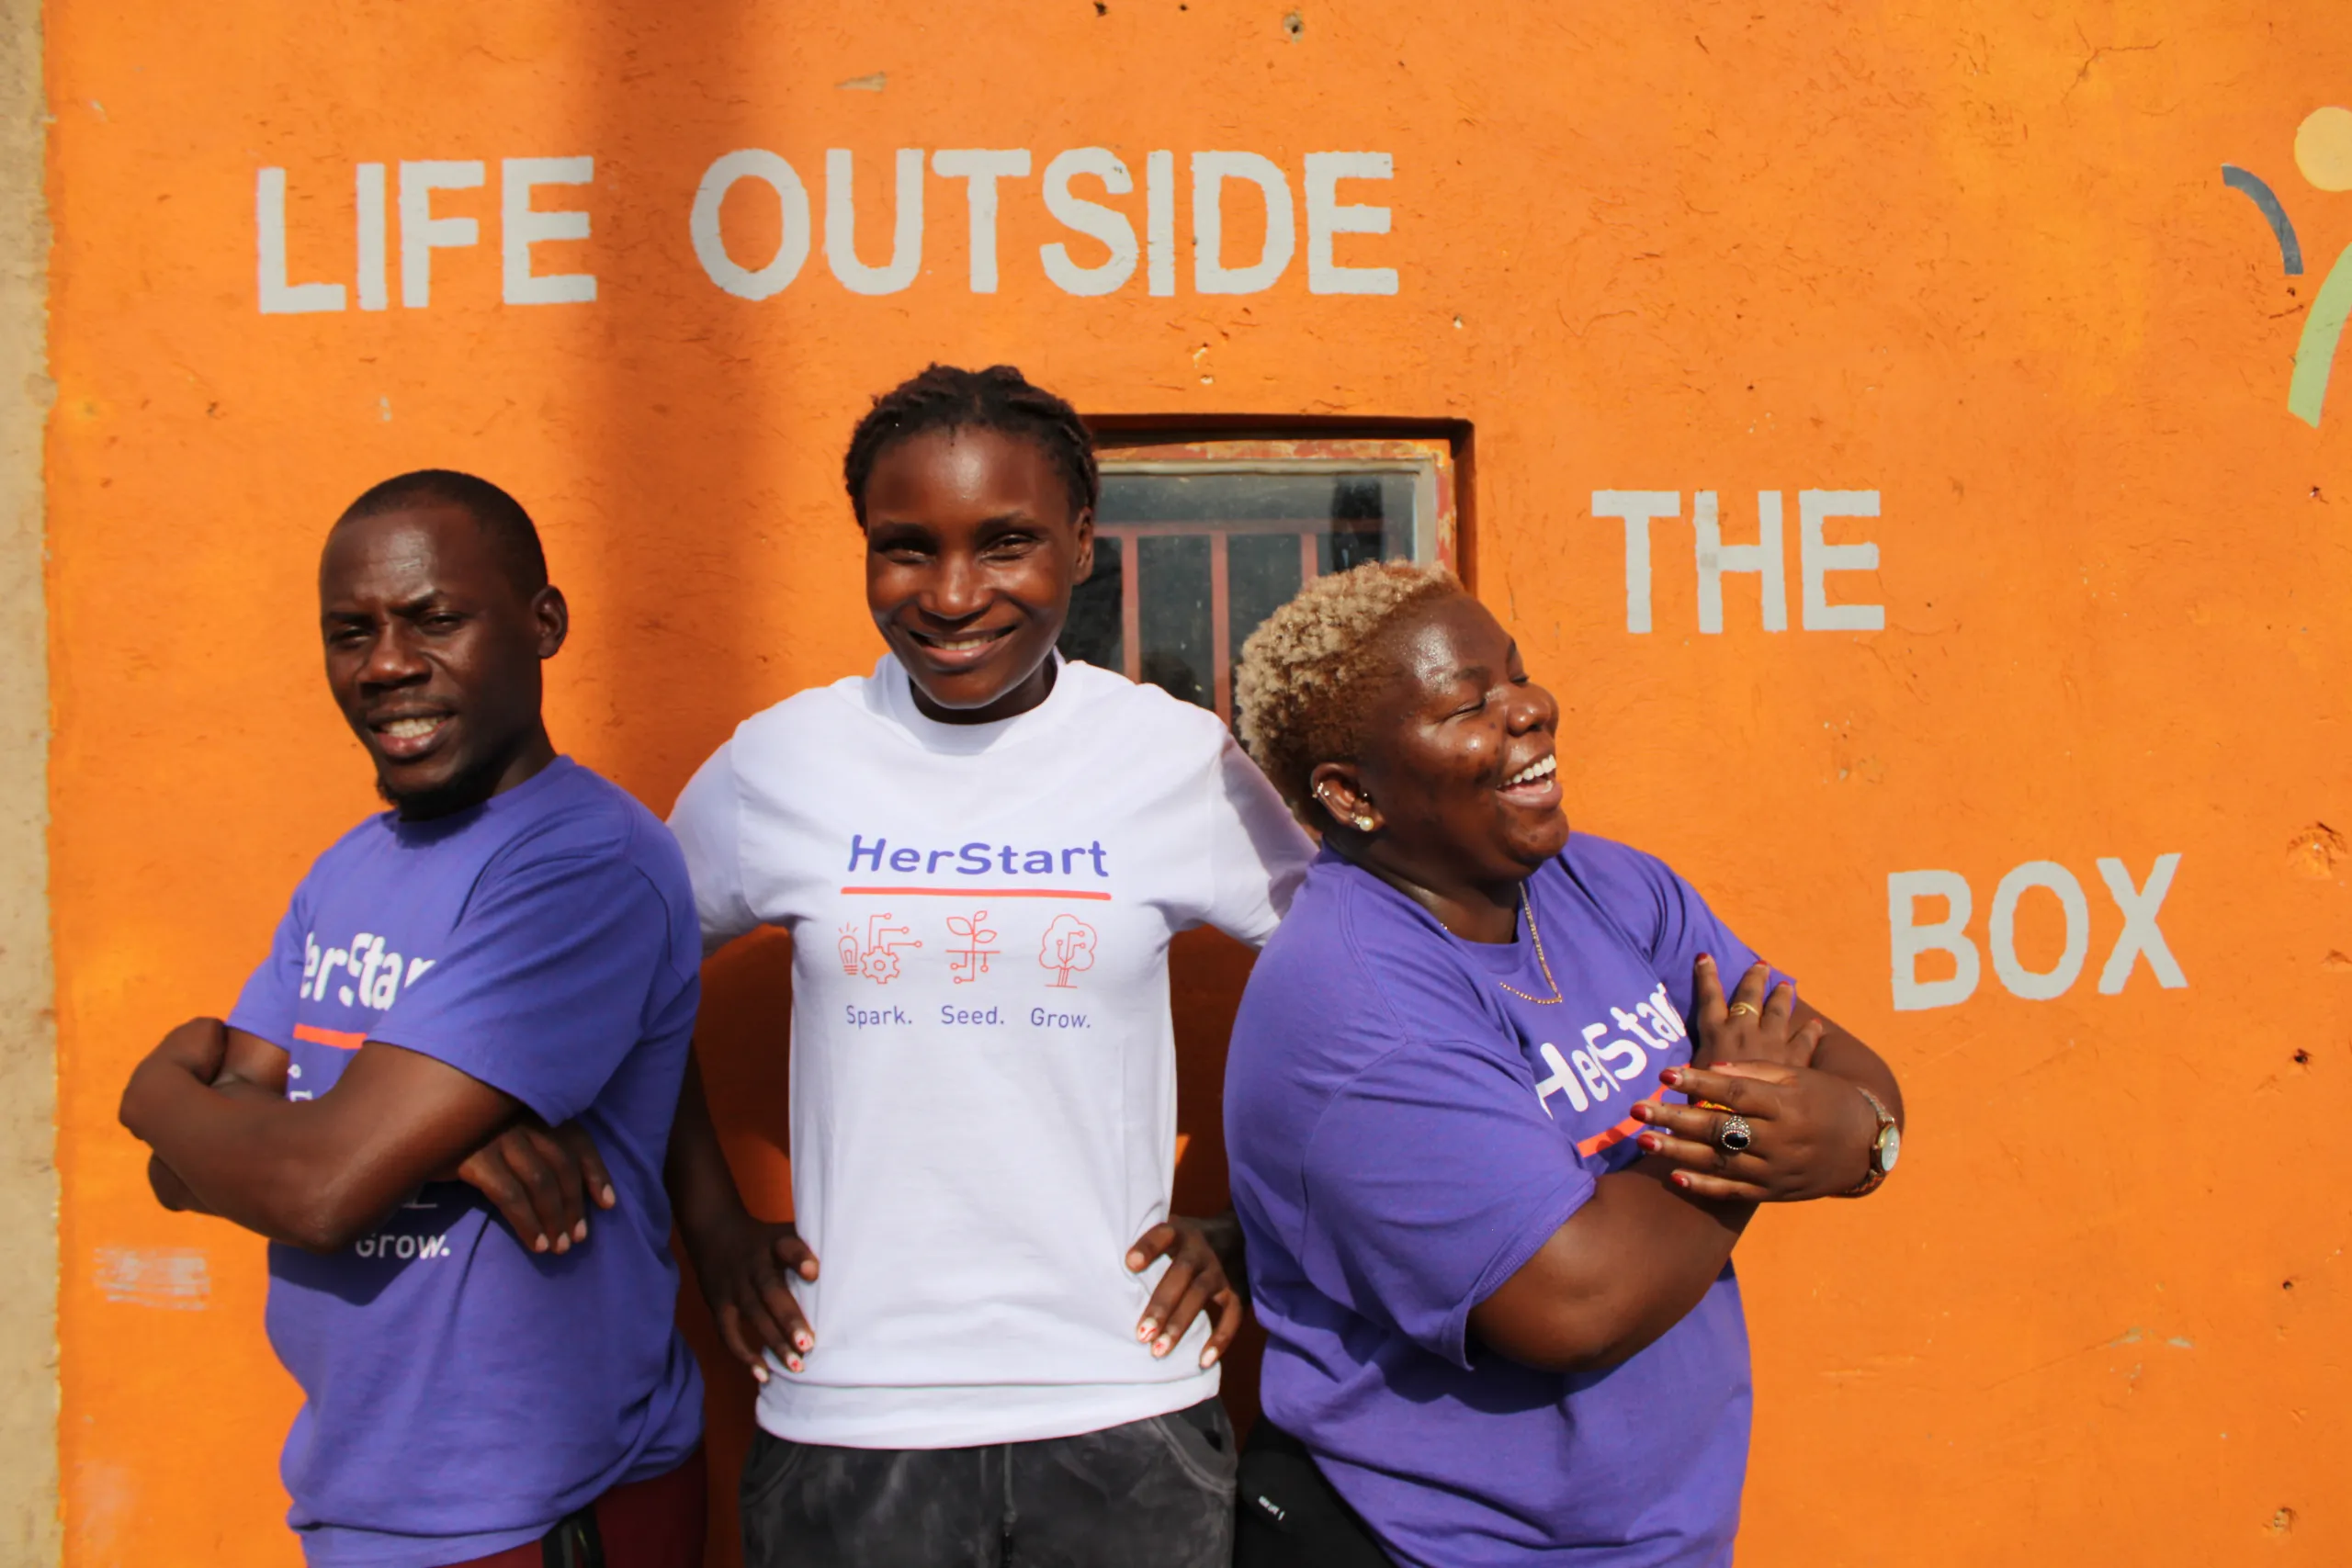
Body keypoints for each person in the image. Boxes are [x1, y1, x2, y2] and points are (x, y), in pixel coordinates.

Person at [661, 364, 1316, 1566]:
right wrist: (711, 1226)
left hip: (1124, 1408)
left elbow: (1367, 989)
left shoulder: (1174, 759)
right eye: (906, 548)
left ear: (1082, 542)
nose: (954, 594)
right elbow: (613, 983)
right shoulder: (782, 763)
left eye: (1006, 541)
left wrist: (1254, 1228)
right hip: (853, 1416)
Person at [1222, 561, 1905, 1568]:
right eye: (1469, 705)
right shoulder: (1352, 1006)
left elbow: (1847, 1074)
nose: (1530, 709)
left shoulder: (1609, 887)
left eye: (1516, 674)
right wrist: (1746, 1135)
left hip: (1661, 1539)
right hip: (1440, 1545)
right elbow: (1574, 1301)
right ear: (1352, 793)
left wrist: (1866, 1141)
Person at [118, 471, 708, 1568]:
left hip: (541, 1512)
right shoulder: (345, 870)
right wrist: (432, 1143)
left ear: (543, 624)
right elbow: (185, 1175)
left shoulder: (583, 864)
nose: (386, 664)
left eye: (435, 619)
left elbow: (310, 1187)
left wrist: (153, 1091)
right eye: (352, 632)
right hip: (356, 1500)